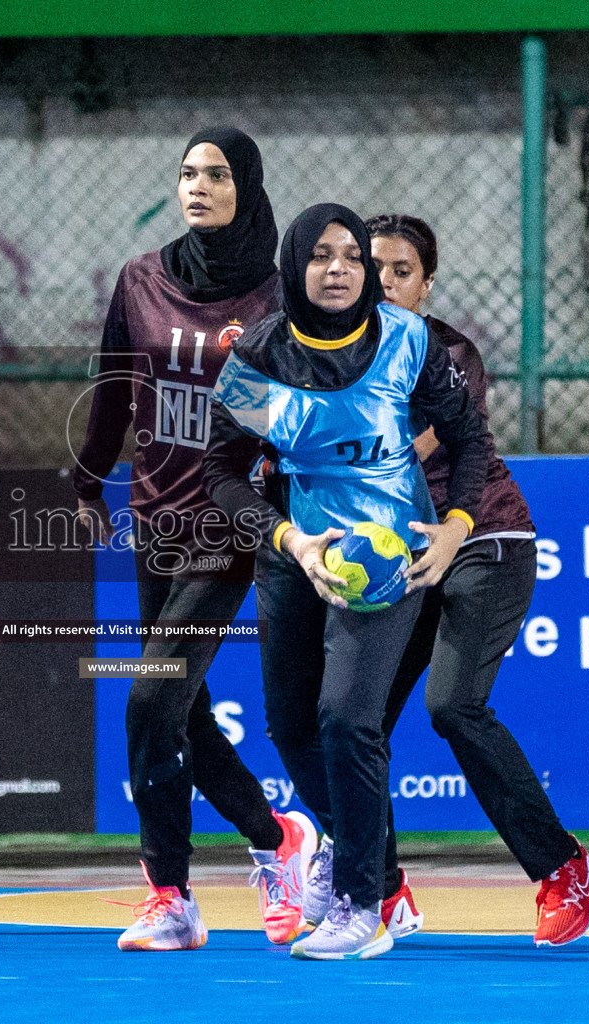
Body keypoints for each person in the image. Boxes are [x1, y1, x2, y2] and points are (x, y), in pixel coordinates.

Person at [203, 203, 491, 960]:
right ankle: (383, 877)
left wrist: (456, 526)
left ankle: (360, 905)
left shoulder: (406, 342)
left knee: (346, 719)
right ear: (293, 268)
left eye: (353, 257)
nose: (339, 269)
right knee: (290, 727)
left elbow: (468, 438)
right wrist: (289, 540)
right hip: (299, 548)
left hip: (392, 554)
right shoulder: (260, 357)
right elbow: (222, 472)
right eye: (321, 256)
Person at [72, 127, 316, 952]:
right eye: (186, 173)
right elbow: (111, 390)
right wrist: (82, 480)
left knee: (150, 697)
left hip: (233, 522)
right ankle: (276, 840)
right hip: (154, 517)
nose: (197, 186)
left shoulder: (282, 297)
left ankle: (170, 892)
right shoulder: (140, 280)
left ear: (246, 183)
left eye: (215, 173)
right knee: (183, 715)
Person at [357, 212, 589, 947]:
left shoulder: (447, 354)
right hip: (403, 558)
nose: (384, 283)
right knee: (352, 720)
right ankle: (379, 889)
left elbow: (404, 447)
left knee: (453, 705)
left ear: (426, 284)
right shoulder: (336, 358)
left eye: (401, 272)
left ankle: (564, 869)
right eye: (372, 268)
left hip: (483, 541)